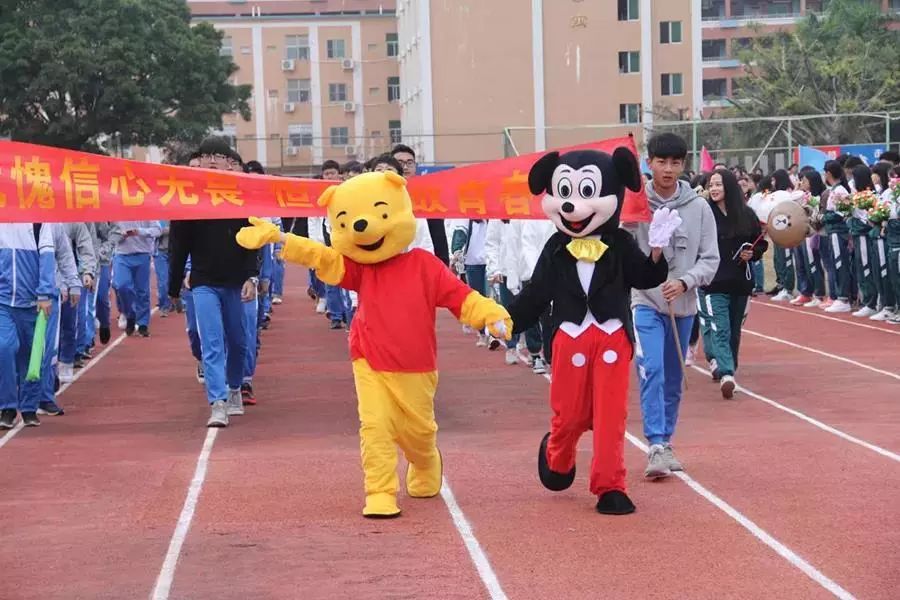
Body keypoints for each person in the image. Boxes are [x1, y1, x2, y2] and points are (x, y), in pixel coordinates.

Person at [625, 133, 720, 479]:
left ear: (684, 165)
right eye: (661, 162)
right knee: (651, 367)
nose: (668, 169)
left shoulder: (698, 208)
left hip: (682, 306)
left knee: (674, 377)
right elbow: (622, 249)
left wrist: (685, 281)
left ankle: (667, 439)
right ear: (648, 163)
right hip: (645, 301)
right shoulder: (634, 205)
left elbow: (710, 259)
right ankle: (655, 444)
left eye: (675, 163)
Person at [168, 137, 260, 427]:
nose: (211, 160)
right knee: (212, 342)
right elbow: (178, 246)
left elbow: (253, 240)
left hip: (235, 282)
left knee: (238, 340)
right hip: (203, 282)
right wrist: (172, 287)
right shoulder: (188, 198)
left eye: (217, 155)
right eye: (206, 155)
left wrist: (251, 276)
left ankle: (234, 388)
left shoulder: (241, 195)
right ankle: (217, 402)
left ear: (228, 162)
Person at [697, 169, 767, 398]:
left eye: (718, 184)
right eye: (711, 185)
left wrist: (752, 253)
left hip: (740, 282)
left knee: (734, 330)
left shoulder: (746, 215)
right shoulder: (704, 213)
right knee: (720, 326)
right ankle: (726, 372)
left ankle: (725, 364)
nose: (714, 189)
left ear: (729, 187)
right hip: (712, 281)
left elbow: (760, 243)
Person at [0, 223, 57, 429]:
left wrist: (44, 293)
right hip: (3, 303)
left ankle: (28, 408)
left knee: (32, 357)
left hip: (33, 303)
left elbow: (47, 258)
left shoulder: (39, 222)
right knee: (4, 348)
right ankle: (6, 406)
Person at [392, 144, 451, 265]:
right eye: (400, 162)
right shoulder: (383, 195)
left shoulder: (427, 196)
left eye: (409, 163)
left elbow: (438, 234)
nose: (405, 167)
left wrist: (443, 263)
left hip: (422, 263)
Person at [109, 220, 161, 336]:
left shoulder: (145, 209)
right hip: (122, 254)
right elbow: (109, 232)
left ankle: (143, 324)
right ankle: (129, 314)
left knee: (142, 290)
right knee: (121, 286)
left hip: (142, 253)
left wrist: (139, 232)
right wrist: (120, 235)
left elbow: (157, 230)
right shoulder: (116, 210)